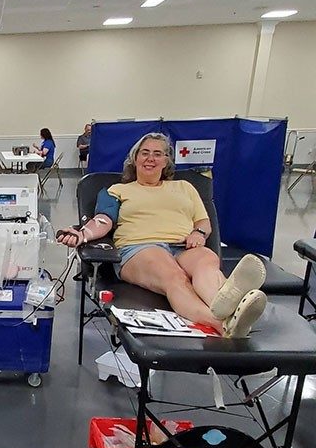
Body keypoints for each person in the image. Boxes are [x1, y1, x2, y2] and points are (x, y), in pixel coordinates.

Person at [56, 132, 267, 338]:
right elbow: (103, 221)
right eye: (145, 152)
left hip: (183, 244)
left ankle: (226, 305)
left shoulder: (185, 187)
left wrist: (199, 233)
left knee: (207, 261)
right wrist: (81, 235)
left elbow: (203, 222)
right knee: (174, 276)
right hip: (140, 247)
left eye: (158, 154)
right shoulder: (117, 190)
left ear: (167, 160)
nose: (150, 158)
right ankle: (223, 323)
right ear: (135, 158)